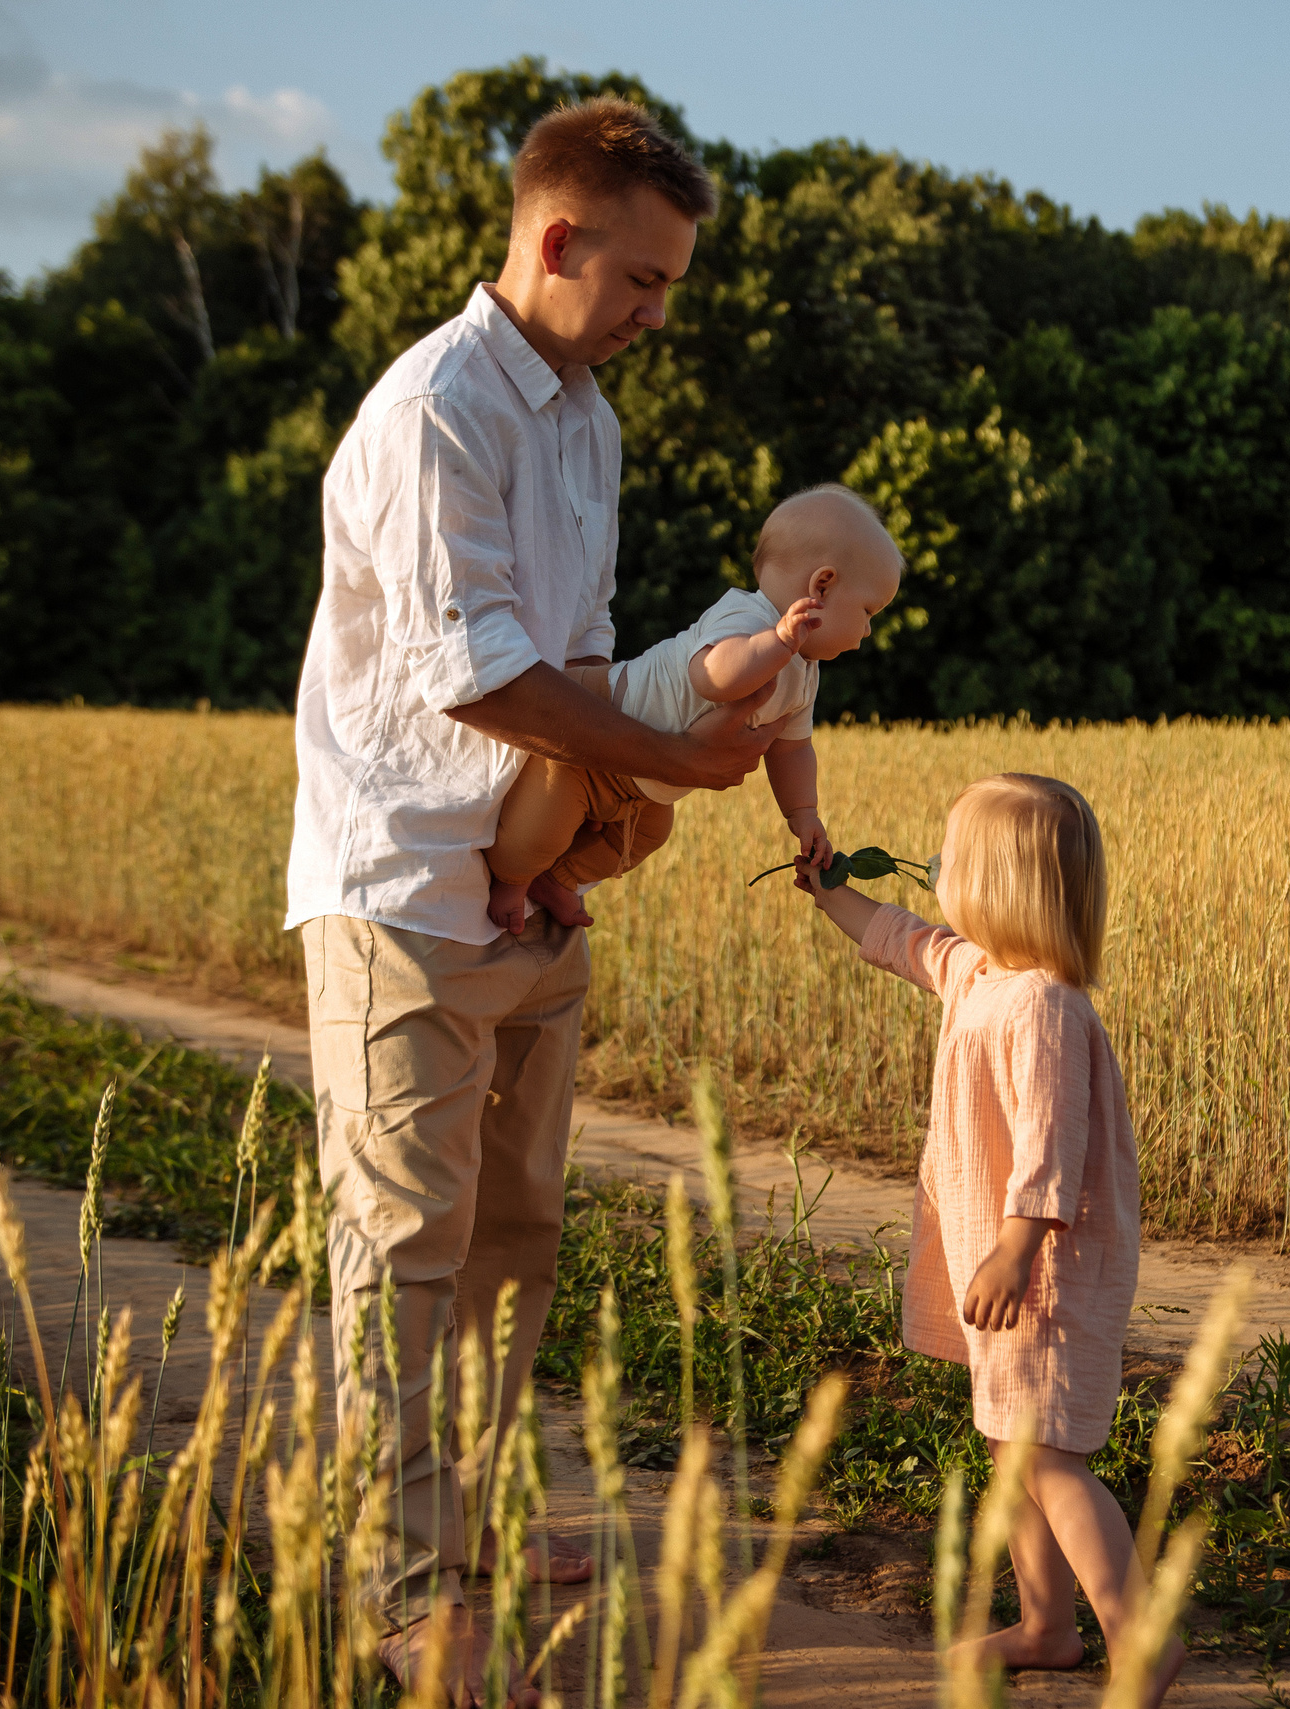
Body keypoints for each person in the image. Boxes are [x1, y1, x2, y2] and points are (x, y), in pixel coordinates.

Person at [284, 96, 780, 1707]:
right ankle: (404, 1576)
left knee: (513, 1240)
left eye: (668, 286)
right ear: (555, 241)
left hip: (518, 884)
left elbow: (573, 648)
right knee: (404, 1242)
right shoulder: (438, 408)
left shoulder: (588, 422)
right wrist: (667, 761)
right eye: (640, 280)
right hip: (402, 894)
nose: (656, 315)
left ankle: (479, 1524)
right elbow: (479, 675)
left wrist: (571, 852)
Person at [794, 774, 1181, 1706]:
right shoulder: (977, 972)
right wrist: (829, 889)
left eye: (953, 856)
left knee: (1047, 1453)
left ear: (1002, 885)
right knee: (1016, 1446)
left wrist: (1014, 1249)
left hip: (1045, 1264)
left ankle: (1142, 1637)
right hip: (1008, 1260)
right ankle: (1049, 1625)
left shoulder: (1045, 1006)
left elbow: (1054, 1145)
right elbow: (896, 938)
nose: (936, 869)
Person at [481, 484, 905, 934]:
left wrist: (803, 813)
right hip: (596, 724)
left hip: (647, 779)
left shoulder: (805, 672)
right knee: (536, 833)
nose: (868, 630)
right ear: (822, 586)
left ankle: (555, 881)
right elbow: (714, 677)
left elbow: (791, 750)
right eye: (867, 611)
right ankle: (513, 880)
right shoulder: (747, 619)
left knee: (649, 835)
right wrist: (778, 643)